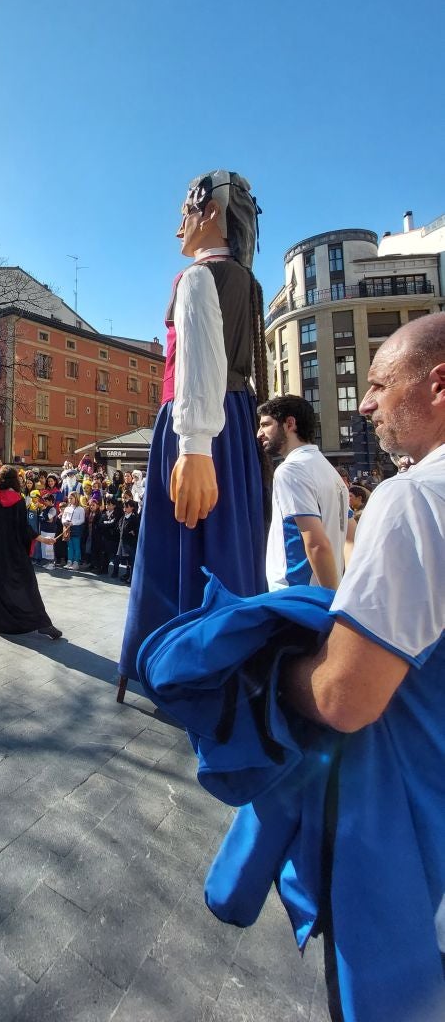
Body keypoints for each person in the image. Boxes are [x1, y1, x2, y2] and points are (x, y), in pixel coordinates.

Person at [280, 313, 445, 1021]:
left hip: (410, 842)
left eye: (380, 384)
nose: (366, 402)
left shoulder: (413, 497)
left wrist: (276, 674)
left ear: (439, 384)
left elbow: (346, 696)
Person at [117, 170, 268, 702]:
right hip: (235, 421)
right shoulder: (247, 283)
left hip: (196, 422)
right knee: (230, 540)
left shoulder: (197, 279)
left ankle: (180, 664)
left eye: (184, 211)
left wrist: (195, 445)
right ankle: (234, 662)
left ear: (208, 213)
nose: (178, 225)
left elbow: (200, 360)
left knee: (179, 544)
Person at [257, 394, 349, 591]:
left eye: (265, 424)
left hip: (297, 595)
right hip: (321, 592)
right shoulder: (330, 471)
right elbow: (351, 534)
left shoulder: (291, 470)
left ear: (289, 424)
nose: (259, 433)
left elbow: (316, 543)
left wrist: (329, 599)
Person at [0, 466, 62, 640]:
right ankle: (42, 623)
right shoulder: (17, 500)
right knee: (27, 584)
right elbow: (23, 528)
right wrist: (42, 538)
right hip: (14, 551)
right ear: (15, 481)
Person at [110, 498, 140, 583]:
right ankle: (117, 572)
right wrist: (122, 529)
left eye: (127, 507)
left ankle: (130, 577)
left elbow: (136, 529)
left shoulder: (134, 518)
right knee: (118, 558)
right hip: (122, 541)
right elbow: (119, 525)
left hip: (130, 542)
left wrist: (133, 532)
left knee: (130, 560)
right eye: (124, 507)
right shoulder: (123, 517)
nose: (125, 509)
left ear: (132, 508)